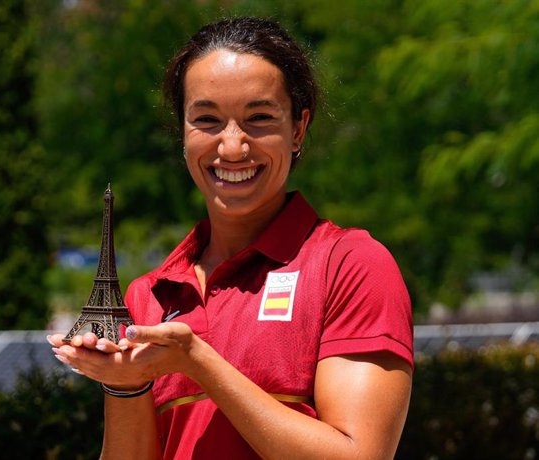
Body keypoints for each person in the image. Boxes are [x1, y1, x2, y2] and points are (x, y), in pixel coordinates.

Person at [49, 16, 413, 460]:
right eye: (207, 120)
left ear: (298, 128)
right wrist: (123, 385)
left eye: (259, 118)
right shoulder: (149, 297)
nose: (233, 146)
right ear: (182, 132)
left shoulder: (351, 265)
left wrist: (197, 361)